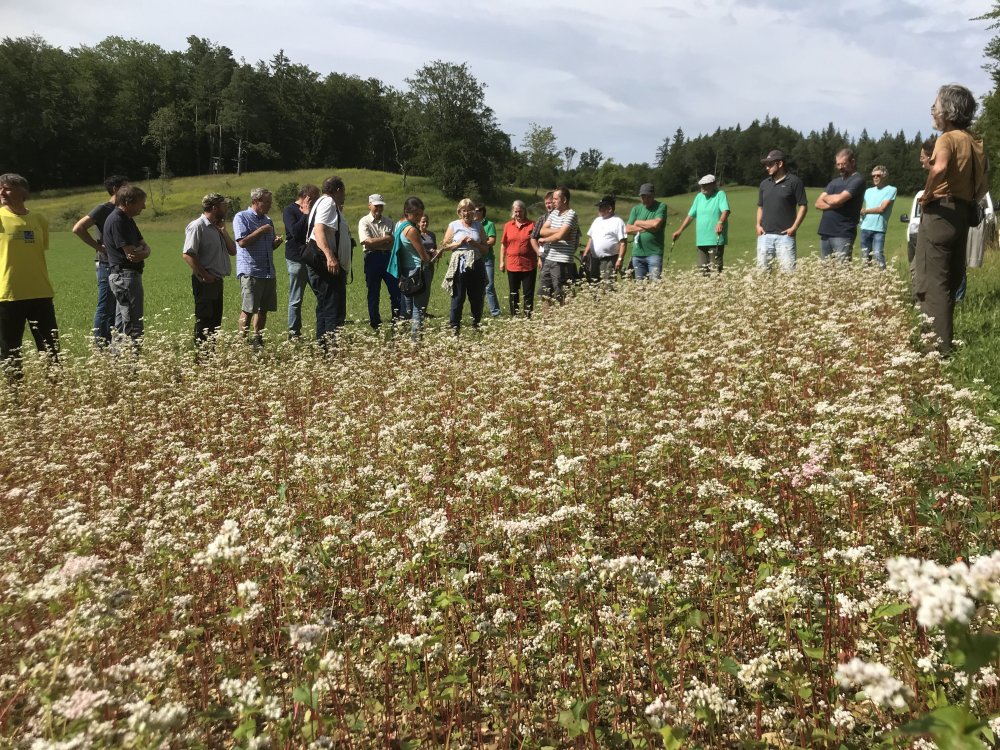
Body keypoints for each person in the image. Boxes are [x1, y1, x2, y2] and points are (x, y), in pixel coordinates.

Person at [915, 83, 987, 355]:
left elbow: (941, 167)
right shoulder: (973, 141)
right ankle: (943, 344)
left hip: (940, 213)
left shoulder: (947, 138)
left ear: (948, 110)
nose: (933, 111)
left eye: (935, 106)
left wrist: (927, 194)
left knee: (931, 282)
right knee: (950, 280)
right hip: (962, 213)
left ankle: (935, 351)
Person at [0, 173, 58, 376]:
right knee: (11, 349)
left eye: (7, 188)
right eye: (0, 188)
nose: (1, 192)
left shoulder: (39, 220)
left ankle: (56, 388)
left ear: (23, 192)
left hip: (40, 292)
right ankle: (15, 394)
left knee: (51, 347)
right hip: (9, 294)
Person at [71, 174, 128, 347]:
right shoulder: (103, 209)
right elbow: (78, 228)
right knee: (105, 305)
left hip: (119, 263)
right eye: (125, 187)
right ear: (115, 189)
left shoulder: (123, 209)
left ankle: (112, 343)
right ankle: (100, 345)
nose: (129, 190)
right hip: (105, 263)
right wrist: (100, 248)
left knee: (116, 305)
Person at [182, 193, 237, 345]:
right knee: (204, 321)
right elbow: (187, 254)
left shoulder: (217, 227)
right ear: (214, 207)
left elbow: (233, 251)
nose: (227, 208)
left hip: (217, 281)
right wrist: (205, 275)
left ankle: (210, 357)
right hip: (205, 282)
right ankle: (201, 359)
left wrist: (224, 231)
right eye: (224, 205)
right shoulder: (197, 226)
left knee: (215, 323)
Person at [233, 188, 282, 348]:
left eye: (270, 202)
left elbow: (269, 246)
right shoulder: (242, 217)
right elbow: (242, 242)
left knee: (263, 309)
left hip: (267, 271)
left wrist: (275, 243)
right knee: (248, 308)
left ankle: (257, 340)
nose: (269, 205)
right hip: (251, 270)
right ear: (255, 201)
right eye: (266, 202)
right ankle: (241, 341)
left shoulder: (268, 220)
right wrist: (260, 230)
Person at [103, 184, 151, 347]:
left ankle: (118, 364)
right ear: (129, 202)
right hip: (125, 277)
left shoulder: (127, 220)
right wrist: (144, 252)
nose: (144, 207)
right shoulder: (117, 220)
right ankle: (132, 367)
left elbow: (144, 245)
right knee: (134, 325)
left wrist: (144, 251)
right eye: (141, 202)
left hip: (125, 276)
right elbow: (132, 254)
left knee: (122, 324)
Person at [308, 176, 353, 346]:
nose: (344, 196)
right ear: (339, 190)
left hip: (324, 264)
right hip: (327, 265)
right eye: (344, 192)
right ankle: (331, 349)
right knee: (332, 308)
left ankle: (324, 347)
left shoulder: (321, 203)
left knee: (325, 306)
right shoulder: (328, 203)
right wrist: (330, 257)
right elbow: (319, 230)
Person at [388, 196, 436, 341]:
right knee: (419, 309)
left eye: (420, 214)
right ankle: (416, 342)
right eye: (416, 214)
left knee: (407, 308)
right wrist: (433, 254)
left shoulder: (400, 225)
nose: (419, 217)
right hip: (418, 271)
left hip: (405, 270)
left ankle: (400, 339)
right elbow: (424, 257)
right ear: (406, 212)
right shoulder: (412, 230)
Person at [442, 198, 491, 335]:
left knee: (477, 296)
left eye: (470, 210)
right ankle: (454, 328)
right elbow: (444, 246)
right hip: (460, 263)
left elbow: (486, 249)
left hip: (477, 263)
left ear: (473, 212)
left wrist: (475, 244)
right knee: (458, 296)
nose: (467, 213)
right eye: (464, 210)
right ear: (459, 212)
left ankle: (476, 324)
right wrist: (459, 243)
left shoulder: (478, 226)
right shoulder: (454, 225)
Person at [756, 149, 807, 272]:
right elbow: (760, 207)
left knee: (788, 275)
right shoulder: (764, 184)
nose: (767, 167)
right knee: (762, 275)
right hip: (764, 236)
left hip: (785, 237)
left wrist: (794, 228)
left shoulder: (794, 182)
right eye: (766, 165)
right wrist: (758, 225)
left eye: (770, 164)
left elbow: (803, 206)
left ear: (780, 164)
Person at [672, 175, 730, 274]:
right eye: (701, 185)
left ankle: (717, 289)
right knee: (702, 270)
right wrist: (680, 230)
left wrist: (720, 222)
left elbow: (725, 211)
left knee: (715, 269)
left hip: (715, 238)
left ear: (713, 185)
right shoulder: (699, 197)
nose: (703, 188)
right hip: (701, 240)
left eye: (706, 185)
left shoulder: (720, 194)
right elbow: (690, 215)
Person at [358, 193, 400, 331]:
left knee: (395, 291)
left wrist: (379, 242)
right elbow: (367, 243)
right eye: (376, 206)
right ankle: (375, 323)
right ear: (369, 205)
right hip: (372, 258)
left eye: (381, 206)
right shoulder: (364, 221)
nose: (379, 209)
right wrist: (385, 239)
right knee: (373, 292)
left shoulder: (389, 221)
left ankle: (397, 319)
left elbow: (392, 243)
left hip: (388, 258)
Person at [283, 184, 320, 339]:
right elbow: (295, 233)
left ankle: (324, 327)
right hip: (296, 259)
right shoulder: (289, 210)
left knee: (321, 294)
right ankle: (294, 333)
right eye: (316, 197)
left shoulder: (315, 211)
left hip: (313, 258)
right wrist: (305, 214)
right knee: (296, 298)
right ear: (307, 197)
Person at [815, 149, 866, 260]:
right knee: (825, 272)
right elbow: (818, 203)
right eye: (838, 164)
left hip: (843, 233)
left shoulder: (857, 180)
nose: (840, 167)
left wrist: (828, 199)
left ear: (852, 162)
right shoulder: (834, 182)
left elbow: (838, 200)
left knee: (842, 271)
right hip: (825, 232)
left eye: (843, 164)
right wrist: (832, 204)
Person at [538, 186, 580, 305]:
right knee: (545, 293)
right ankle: (547, 322)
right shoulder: (554, 213)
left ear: (564, 200)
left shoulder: (571, 215)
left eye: (556, 199)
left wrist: (546, 239)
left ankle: (564, 321)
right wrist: (561, 231)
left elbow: (558, 237)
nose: (553, 201)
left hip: (562, 261)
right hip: (549, 259)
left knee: (561, 294)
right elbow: (542, 230)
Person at [500, 200, 537, 317]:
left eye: (520, 211)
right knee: (513, 293)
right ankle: (514, 316)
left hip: (529, 265)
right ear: (513, 212)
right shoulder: (507, 226)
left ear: (524, 211)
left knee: (528, 293)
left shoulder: (532, 225)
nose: (518, 214)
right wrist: (501, 261)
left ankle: (528, 317)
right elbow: (503, 244)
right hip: (512, 265)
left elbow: (538, 242)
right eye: (516, 211)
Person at [626, 183, 667, 280]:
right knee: (640, 287)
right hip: (637, 254)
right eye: (643, 197)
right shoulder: (636, 209)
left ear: (653, 195)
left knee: (655, 286)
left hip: (654, 253)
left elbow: (656, 224)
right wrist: (647, 227)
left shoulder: (661, 206)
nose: (646, 199)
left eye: (648, 196)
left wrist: (637, 222)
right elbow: (627, 229)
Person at [859, 166, 897, 269]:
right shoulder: (868, 191)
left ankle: (883, 279)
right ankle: (866, 281)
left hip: (878, 229)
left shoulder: (891, 189)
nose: (875, 178)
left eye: (878, 175)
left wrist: (865, 211)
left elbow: (882, 209)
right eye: (873, 176)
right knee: (864, 257)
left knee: (878, 255)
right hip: (865, 227)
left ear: (884, 177)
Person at [583, 195, 627, 282]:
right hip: (595, 259)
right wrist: (585, 254)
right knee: (593, 283)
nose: (598, 209)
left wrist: (620, 259)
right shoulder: (597, 220)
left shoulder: (618, 222)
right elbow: (591, 239)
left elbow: (623, 243)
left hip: (609, 259)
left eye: (601, 207)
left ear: (609, 208)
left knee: (608, 285)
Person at [475, 203, 501, 317]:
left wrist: (478, 243)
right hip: (475, 258)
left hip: (487, 259)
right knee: (477, 286)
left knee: (489, 285)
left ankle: (495, 311)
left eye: (479, 210)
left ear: (483, 212)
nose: (476, 212)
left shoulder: (489, 224)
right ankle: (477, 311)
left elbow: (492, 241)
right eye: (475, 210)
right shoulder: (472, 225)